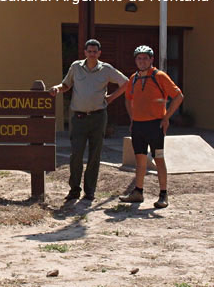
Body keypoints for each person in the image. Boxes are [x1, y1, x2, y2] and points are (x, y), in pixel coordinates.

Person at [50, 39, 128, 202]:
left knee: (94, 155)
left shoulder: (106, 69)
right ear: (85, 53)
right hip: (78, 118)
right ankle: (74, 190)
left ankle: (90, 191)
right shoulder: (76, 67)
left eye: (95, 52)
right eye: (89, 51)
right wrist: (57, 89)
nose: (92, 54)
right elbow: (66, 85)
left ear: (99, 53)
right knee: (76, 154)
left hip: (98, 117)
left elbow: (126, 83)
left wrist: (111, 98)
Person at [119, 45, 184, 208]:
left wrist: (166, 117)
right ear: (135, 60)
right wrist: (132, 117)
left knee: (159, 159)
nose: (142, 61)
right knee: (140, 160)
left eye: (145, 58)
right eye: (139, 58)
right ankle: (138, 192)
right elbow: (128, 99)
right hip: (138, 126)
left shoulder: (159, 76)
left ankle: (163, 194)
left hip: (155, 125)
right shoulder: (133, 78)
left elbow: (178, 96)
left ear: (151, 60)